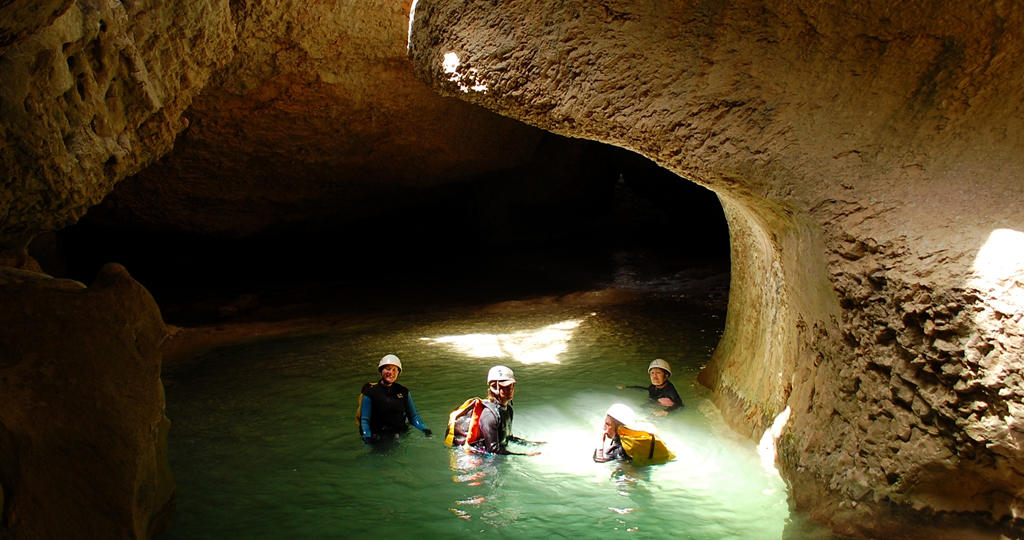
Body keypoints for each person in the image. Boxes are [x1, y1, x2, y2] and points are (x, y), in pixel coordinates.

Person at [448, 365, 543, 455]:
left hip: (491, 453)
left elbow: (508, 438)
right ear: (494, 387)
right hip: (475, 456)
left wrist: (532, 444)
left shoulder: (508, 410)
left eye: (511, 386)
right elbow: (493, 450)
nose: (510, 389)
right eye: (505, 387)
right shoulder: (489, 415)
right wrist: (524, 454)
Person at [358, 354, 432, 443]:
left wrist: (424, 429)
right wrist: (367, 437)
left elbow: (413, 416)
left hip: (401, 434)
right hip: (379, 437)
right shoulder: (370, 393)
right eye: (388, 369)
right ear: (381, 370)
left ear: (398, 373)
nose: (391, 373)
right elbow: (365, 420)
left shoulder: (404, 392)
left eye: (394, 370)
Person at [619, 358, 683, 416]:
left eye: (658, 373)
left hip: (663, 409)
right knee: (639, 409)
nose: (654, 377)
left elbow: (680, 405)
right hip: (653, 404)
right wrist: (627, 387)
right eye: (652, 373)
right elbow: (645, 389)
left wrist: (666, 411)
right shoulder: (653, 386)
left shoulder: (670, 390)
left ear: (666, 376)